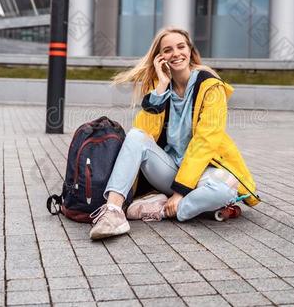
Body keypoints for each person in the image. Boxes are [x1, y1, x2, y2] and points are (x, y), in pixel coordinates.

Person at [89, 27, 260, 240]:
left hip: (201, 170)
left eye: (181, 47)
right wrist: (161, 87)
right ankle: (113, 212)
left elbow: (205, 142)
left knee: (227, 190)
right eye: (168, 50)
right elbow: (144, 134)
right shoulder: (159, 87)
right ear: (160, 57)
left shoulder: (210, 88)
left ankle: (161, 208)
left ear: (190, 50)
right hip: (168, 168)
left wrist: (181, 192)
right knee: (135, 135)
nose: (176, 53)